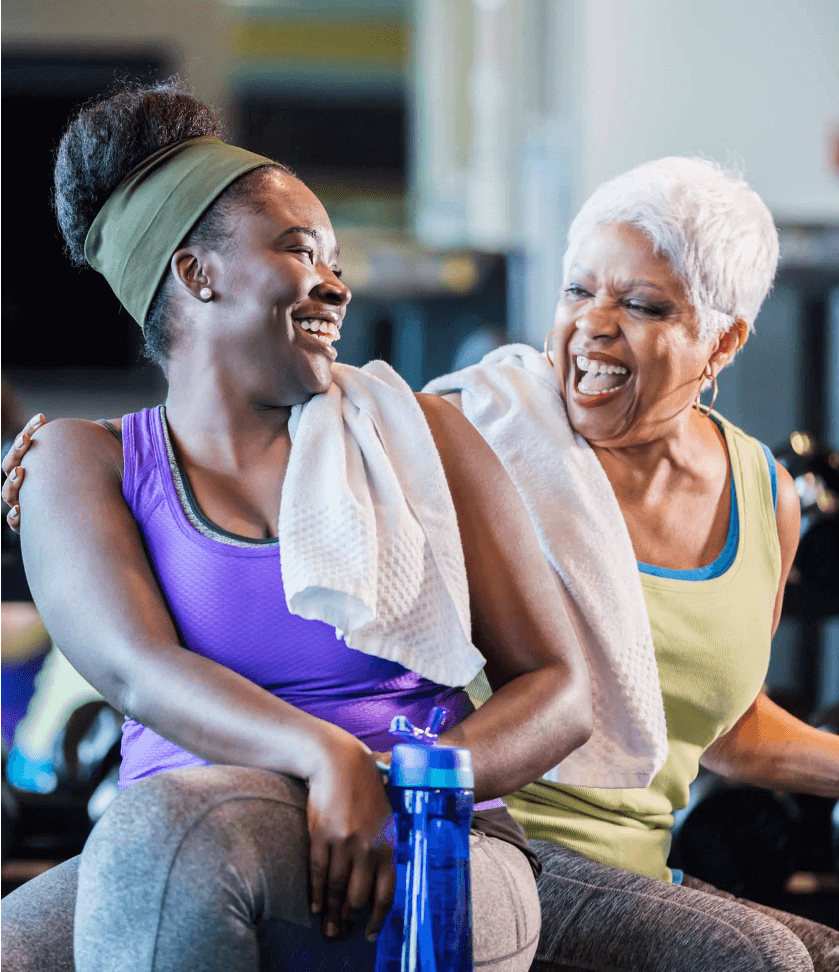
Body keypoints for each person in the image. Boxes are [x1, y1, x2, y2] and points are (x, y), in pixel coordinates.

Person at [0, 82, 593, 972]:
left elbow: (560, 688)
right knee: (159, 838)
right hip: (184, 834)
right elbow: (140, 671)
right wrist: (326, 757)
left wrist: (399, 782)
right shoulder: (79, 463)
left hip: (430, 843)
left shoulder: (422, 436)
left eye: (337, 260)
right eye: (299, 249)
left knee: (163, 832)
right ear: (196, 273)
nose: (336, 284)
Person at [424, 157, 839, 971]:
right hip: (482, 845)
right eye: (578, 291)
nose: (593, 326)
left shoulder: (764, 495)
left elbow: (718, 726)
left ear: (721, 341)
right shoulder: (477, 438)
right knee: (762, 963)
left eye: (642, 305)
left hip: (634, 874)